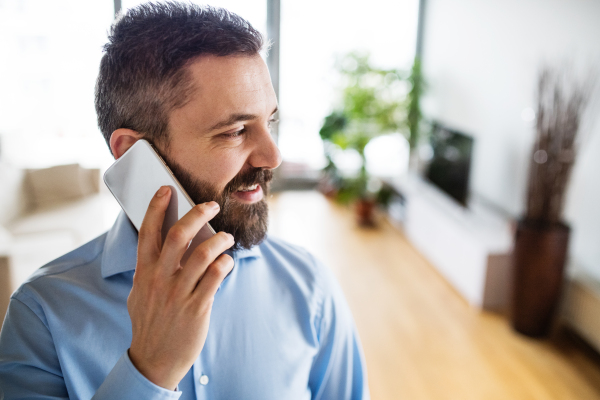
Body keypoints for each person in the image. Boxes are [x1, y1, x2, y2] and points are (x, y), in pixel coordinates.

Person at [0, 2, 369, 399]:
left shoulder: (308, 285)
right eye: (235, 131)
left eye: (270, 122)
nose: (272, 157)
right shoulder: (43, 315)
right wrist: (149, 370)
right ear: (133, 153)